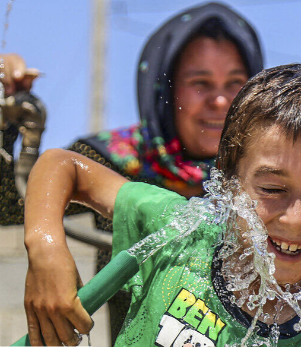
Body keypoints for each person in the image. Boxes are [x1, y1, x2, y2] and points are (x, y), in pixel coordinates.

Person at [23, 63, 301, 346]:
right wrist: (46, 249)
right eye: (273, 189)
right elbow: (63, 165)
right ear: (227, 177)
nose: (295, 219)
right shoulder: (180, 232)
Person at [0, 2, 264, 343]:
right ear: (165, 88)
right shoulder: (111, 163)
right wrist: (45, 246)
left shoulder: (269, 179)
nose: (219, 100)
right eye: (200, 83)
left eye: (235, 83)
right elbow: (6, 205)